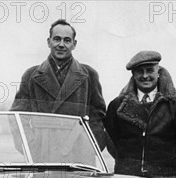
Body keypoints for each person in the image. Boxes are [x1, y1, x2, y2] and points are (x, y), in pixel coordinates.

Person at [11, 19, 109, 159]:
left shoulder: (89, 75)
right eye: (57, 39)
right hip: (43, 154)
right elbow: (18, 117)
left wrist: (90, 146)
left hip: (78, 154)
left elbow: (98, 116)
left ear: (74, 44)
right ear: (48, 41)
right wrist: (31, 147)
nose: (61, 45)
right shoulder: (31, 76)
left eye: (67, 40)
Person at [105, 51, 176, 178]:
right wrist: (127, 166)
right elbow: (111, 141)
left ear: (158, 72)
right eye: (140, 71)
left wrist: (168, 170)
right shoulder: (117, 106)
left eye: (150, 70)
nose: (145, 76)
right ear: (133, 75)